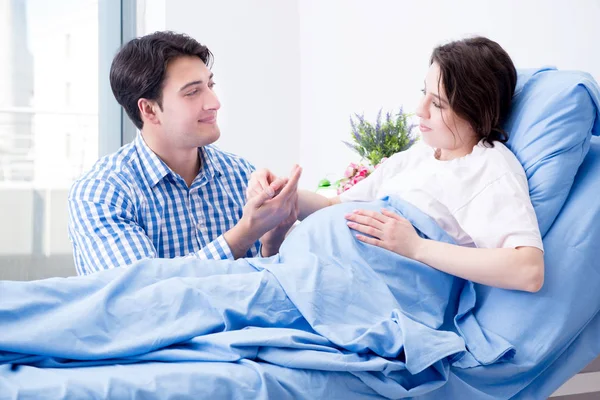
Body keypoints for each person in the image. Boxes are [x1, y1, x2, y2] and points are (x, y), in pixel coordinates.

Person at [249, 36, 545, 293]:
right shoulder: (416, 157)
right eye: (423, 94)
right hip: (307, 269)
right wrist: (284, 193)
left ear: (477, 112)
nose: (420, 110)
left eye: (438, 104)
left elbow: (528, 270)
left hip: (348, 287)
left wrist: (416, 247)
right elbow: (334, 207)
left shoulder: (488, 167)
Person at [68, 31, 300, 275]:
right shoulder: (101, 192)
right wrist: (245, 232)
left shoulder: (241, 174)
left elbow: (260, 288)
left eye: (210, 85)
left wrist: (272, 242)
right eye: (192, 92)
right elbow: (142, 293)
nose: (214, 102)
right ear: (149, 110)